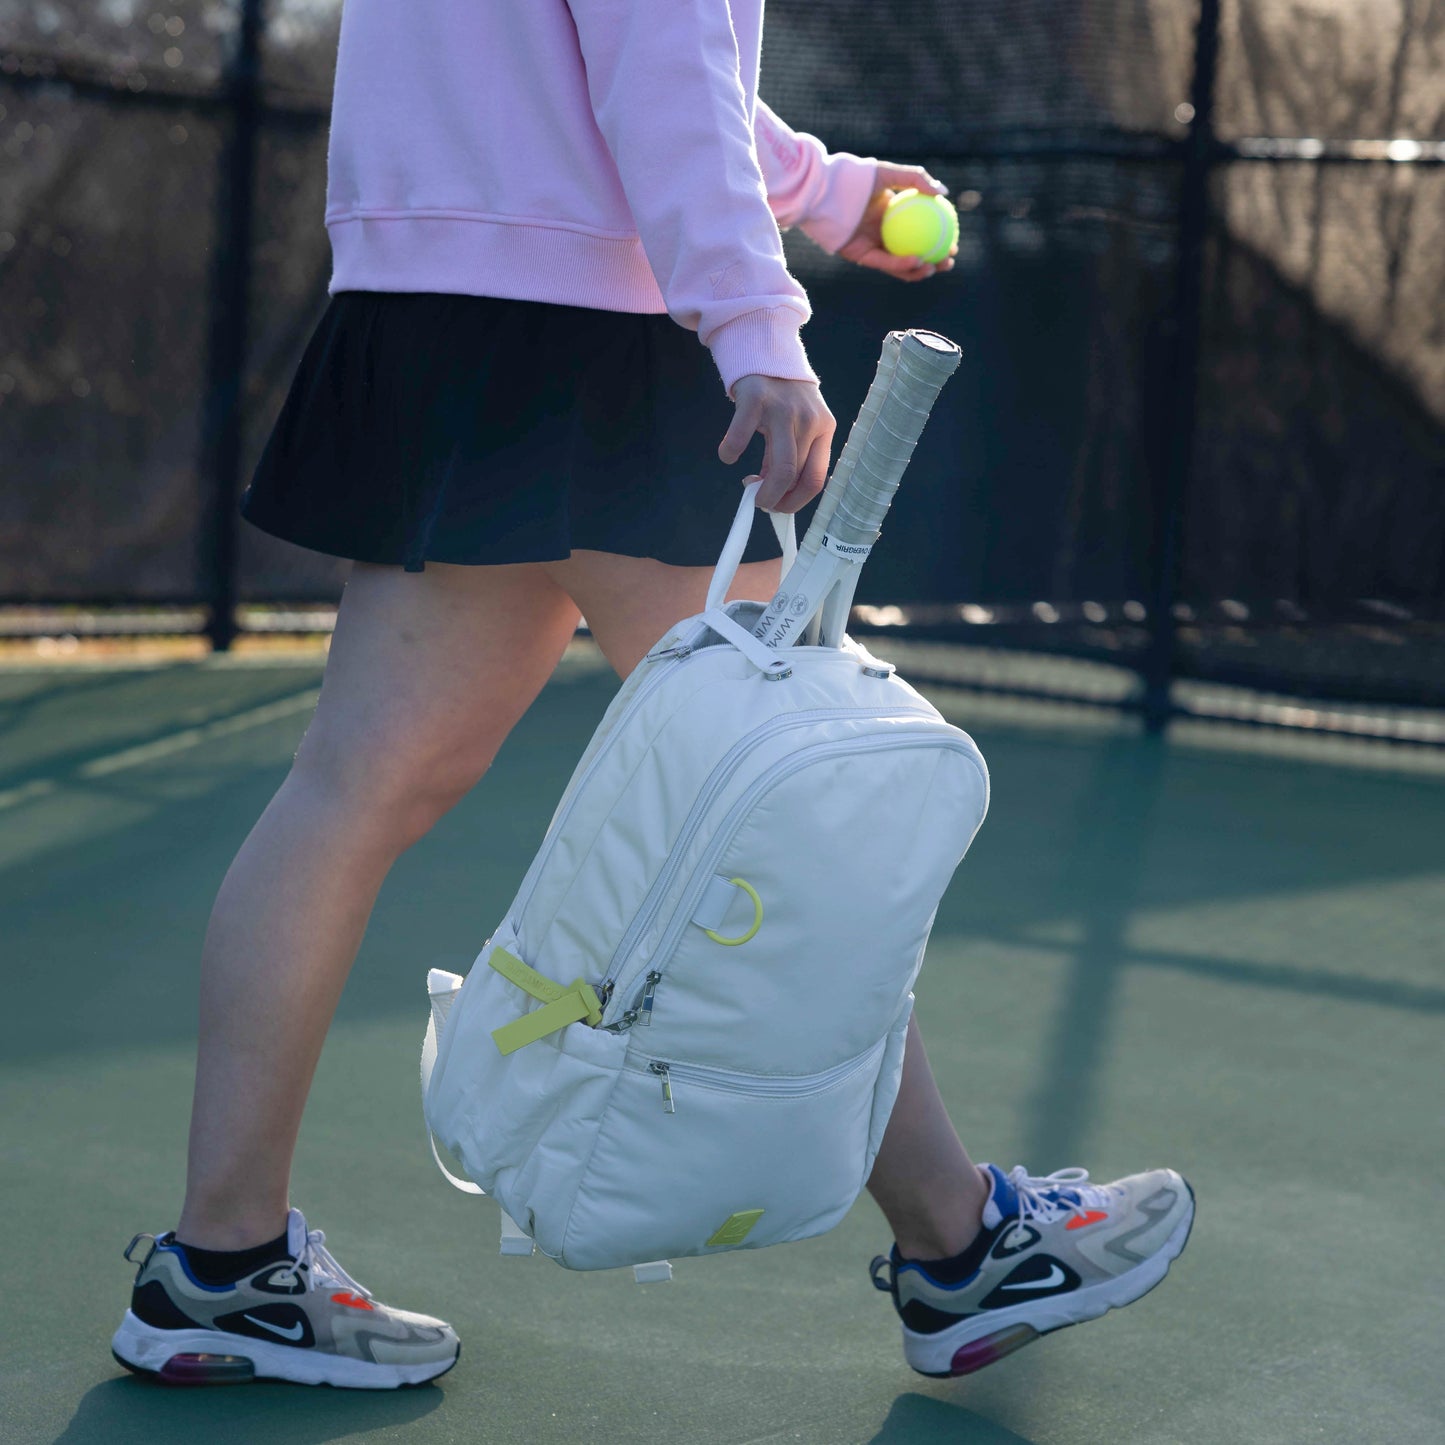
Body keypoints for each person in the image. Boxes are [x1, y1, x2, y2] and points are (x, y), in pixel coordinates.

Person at [111, 0, 1193, 1390]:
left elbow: (623, 72)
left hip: (437, 318)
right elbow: (660, 74)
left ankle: (218, 1263)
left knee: (351, 790)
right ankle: (959, 1241)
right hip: (599, 342)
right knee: (794, 806)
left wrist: (830, 192)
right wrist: (760, 331)